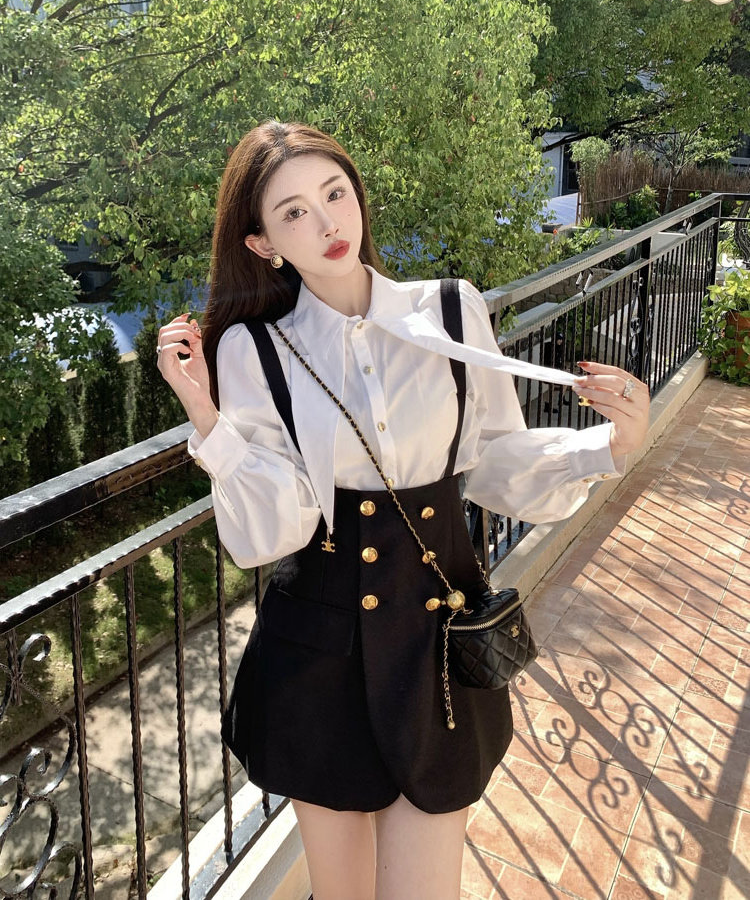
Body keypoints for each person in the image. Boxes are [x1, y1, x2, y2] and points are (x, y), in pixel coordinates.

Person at [157, 120, 649, 900]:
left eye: (335, 193)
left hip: (435, 643)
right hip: (318, 653)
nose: (326, 222)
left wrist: (605, 447)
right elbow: (272, 530)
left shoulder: (450, 312)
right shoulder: (253, 350)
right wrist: (208, 421)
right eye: (293, 212)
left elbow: (492, 460)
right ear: (261, 243)